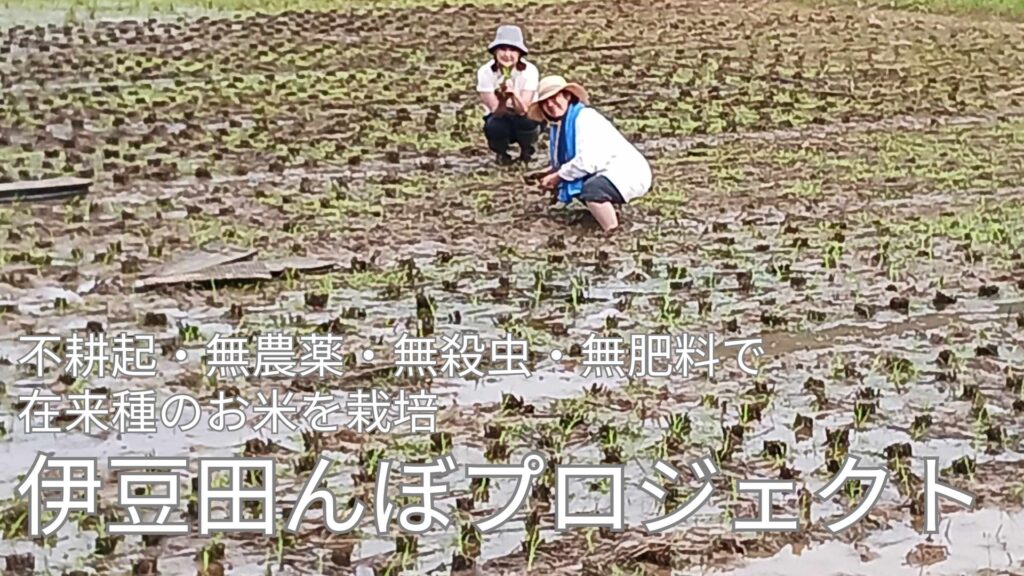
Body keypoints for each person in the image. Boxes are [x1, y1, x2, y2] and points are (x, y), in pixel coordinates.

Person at [527, 75, 652, 233]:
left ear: (567, 96)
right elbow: (568, 161)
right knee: (577, 180)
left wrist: (557, 176)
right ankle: (605, 212)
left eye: (554, 98)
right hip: (607, 169)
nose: (551, 105)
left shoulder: (585, 118)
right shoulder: (559, 127)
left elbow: (586, 161)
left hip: (628, 172)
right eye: (546, 103)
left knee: (592, 189)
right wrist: (548, 172)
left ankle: (612, 230)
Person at [476, 25, 541, 166]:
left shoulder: (530, 71)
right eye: (503, 49)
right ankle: (502, 153)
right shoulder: (485, 72)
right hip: (500, 116)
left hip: (525, 115)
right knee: (494, 125)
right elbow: (496, 112)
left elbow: (524, 110)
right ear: (495, 52)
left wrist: (514, 94)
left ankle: (527, 152)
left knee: (526, 121)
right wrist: (502, 100)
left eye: (512, 50)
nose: (507, 54)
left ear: (519, 54)